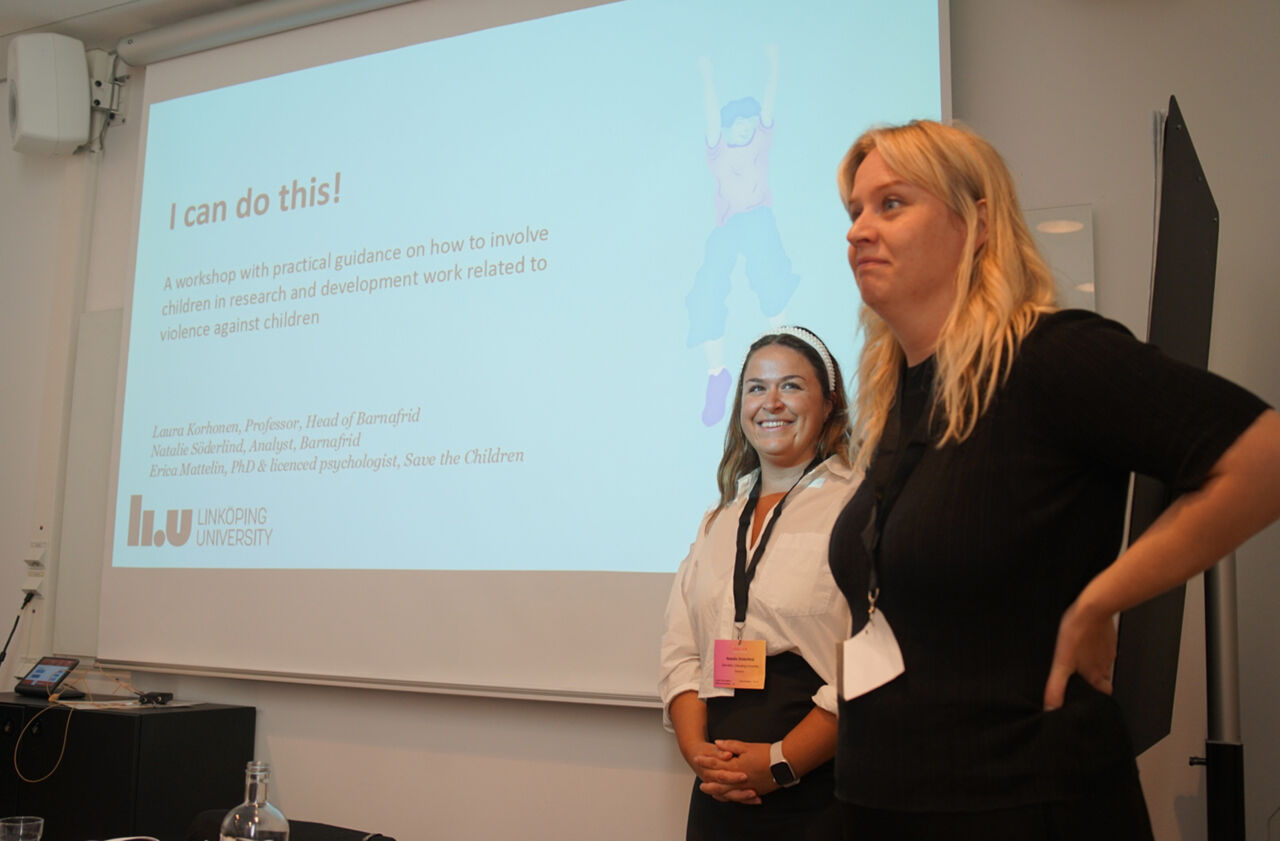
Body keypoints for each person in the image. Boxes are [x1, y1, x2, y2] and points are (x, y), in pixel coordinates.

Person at [826, 118, 1280, 840]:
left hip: (1023, 802)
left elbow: (1264, 457)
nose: (858, 231)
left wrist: (1102, 599)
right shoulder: (896, 397)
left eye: (892, 204)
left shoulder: (1050, 358)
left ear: (977, 223)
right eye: (854, 210)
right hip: (883, 801)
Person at [660, 326, 859, 840]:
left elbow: (875, 653)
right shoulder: (718, 520)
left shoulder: (860, 507)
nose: (771, 402)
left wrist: (780, 762)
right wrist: (699, 754)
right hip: (719, 792)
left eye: (791, 385)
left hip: (820, 790)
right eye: (756, 387)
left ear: (829, 403)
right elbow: (682, 652)